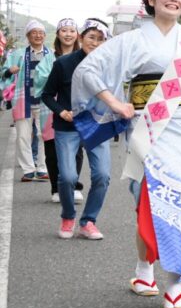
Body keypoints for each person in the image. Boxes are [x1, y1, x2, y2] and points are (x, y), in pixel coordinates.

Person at [71, 0, 181, 308]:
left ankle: (174, 280)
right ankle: (148, 272)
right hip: (148, 133)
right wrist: (115, 104)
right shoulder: (130, 41)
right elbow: (88, 71)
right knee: (149, 204)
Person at [41, 18, 113, 240]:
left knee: (102, 175)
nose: (95, 42)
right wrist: (61, 111)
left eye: (101, 39)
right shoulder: (63, 64)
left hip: (97, 125)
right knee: (68, 177)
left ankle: (88, 221)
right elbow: (46, 94)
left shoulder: (108, 65)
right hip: (67, 126)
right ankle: (68, 216)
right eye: (91, 37)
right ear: (81, 38)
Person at [34, 18, 85, 202]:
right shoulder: (49, 58)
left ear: (77, 34)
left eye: (72, 30)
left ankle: (75, 185)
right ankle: (56, 188)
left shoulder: (83, 56)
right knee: (52, 149)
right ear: (58, 34)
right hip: (51, 108)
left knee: (77, 147)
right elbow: (40, 82)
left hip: (76, 107)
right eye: (64, 30)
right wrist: (57, 73)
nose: (68, 34)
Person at [5, 20, 52, 182]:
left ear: (45, 36)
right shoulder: (18, 54)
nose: (38, 35)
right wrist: (9, 71)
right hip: (23, 100)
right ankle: (28, 169)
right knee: (23, 136)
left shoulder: (51, 55)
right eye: (34, 32)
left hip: (45, 101)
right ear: (28, 36)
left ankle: (42, 167)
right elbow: (4, 72)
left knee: (44, 135)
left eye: (41, 33)